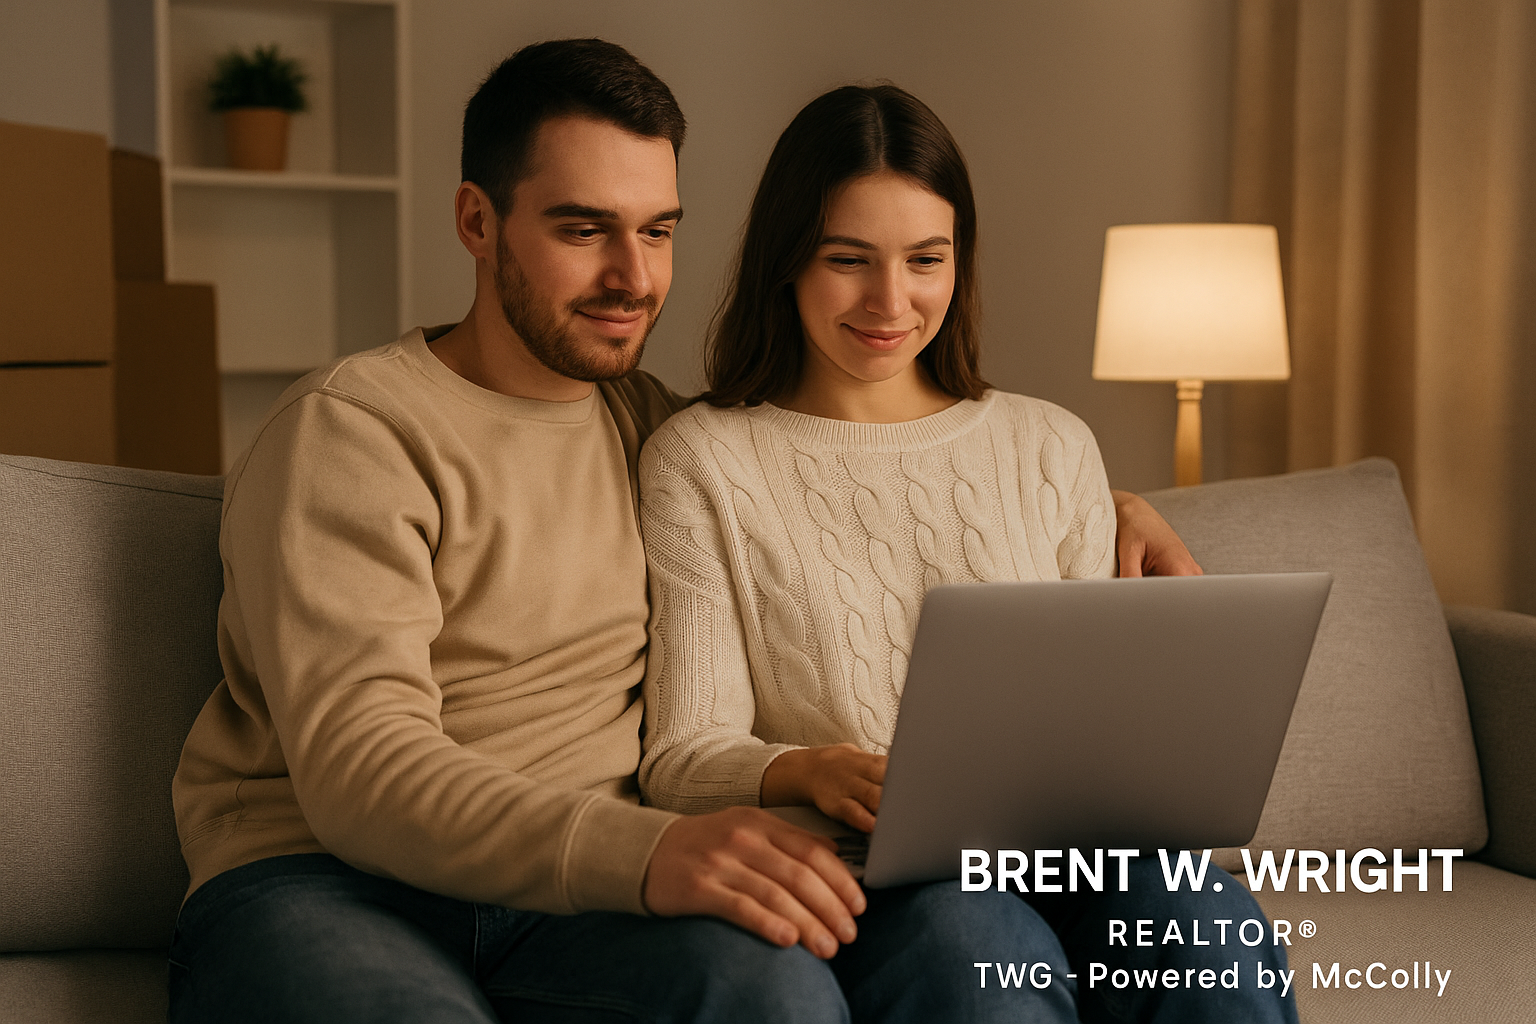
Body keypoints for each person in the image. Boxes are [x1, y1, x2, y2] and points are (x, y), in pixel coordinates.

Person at [167, 39, 1202, 1023]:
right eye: (583, 230)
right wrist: (649, 853)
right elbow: (363, 770)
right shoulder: (351, 433)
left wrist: (1107, 506)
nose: (633, 276)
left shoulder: (650, 425)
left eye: (657, 229)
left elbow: (822, 479)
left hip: (576, 902)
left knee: (779, 996)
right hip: (330, 880)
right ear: (477, 222)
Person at [637, 84, 1296, 1024]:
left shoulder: (1049, 443)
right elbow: (680, 754)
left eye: (925, 260)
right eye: (847, 260)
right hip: (880, 877)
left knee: (1208, 935)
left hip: (1077, 853)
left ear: (960, 262)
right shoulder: (702, 460)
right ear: (787, 262)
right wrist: (812, 768)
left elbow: (1104, 713)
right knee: (980, 955)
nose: (890, 301)